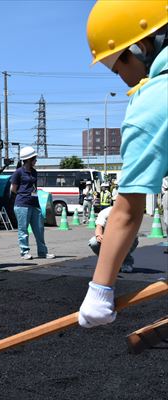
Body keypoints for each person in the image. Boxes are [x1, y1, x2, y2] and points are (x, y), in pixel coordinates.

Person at [79, 0, 167, 328]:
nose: (121, 80)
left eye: (117, 68)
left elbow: (129, 209)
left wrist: (100, 290)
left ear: (140, 46)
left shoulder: (154, 101)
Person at [10, 146, 55, 260]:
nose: (36, 161)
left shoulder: (34, 172)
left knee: (40, 229)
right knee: (23, 230)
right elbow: (13, 189)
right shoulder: (18, 172)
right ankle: (24, 252)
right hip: (22, 204)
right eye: (34, 158)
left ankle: (42, 252)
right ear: (29, 159)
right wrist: (23, 194)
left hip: (35, 203)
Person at [88, 206, 138, 273]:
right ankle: (107, 262)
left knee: (122, 242)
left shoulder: (129, 212)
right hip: (109, 239)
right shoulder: (105, 212)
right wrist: (98, 236)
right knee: (93, 242)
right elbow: (99, 226)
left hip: (128, 239)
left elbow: (131, 231)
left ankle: (126, 261)